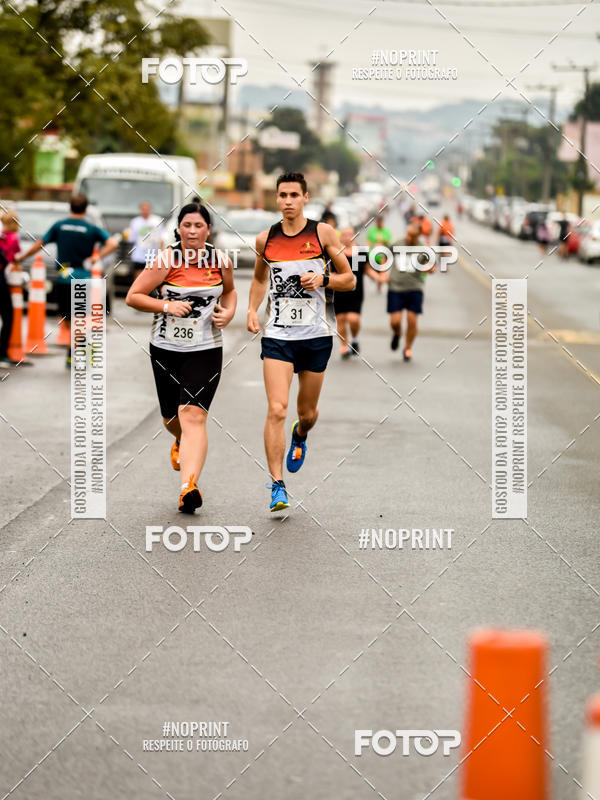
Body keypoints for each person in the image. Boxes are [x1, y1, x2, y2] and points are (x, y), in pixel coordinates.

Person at [247, 172, 355, 512]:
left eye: (294, 194)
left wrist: (323, 278)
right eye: (282, 195)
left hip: (315, 336)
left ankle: (302, 434)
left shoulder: (322, 233)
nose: (288, 201)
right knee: (276, 408)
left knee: (305, 413)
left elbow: (349, 279)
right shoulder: (266, 240)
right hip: (278, 336)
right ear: (276, 199)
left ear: (305, 197)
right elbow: (259, 278)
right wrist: (252, 309)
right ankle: (278, 485)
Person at [126, 201, 237, 513]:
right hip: (165, 348)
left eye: (198, 226)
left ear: (208, 229)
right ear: (178, 229)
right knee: (171, 418)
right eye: (186, 225)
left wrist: (228, 312)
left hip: (206, 348)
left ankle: (188, 486)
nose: (192, 231)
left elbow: (229, 291)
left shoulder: (221, 260)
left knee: (193, 415)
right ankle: (178, 441)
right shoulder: (165, 260)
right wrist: (166, 306)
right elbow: (133, 296)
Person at [15, 194, 118, 368]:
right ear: (85, 209)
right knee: (80, 317)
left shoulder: (60, 226)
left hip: (64, 278)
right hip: (84, 278)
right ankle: (79, 350)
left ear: (70, 207)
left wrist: (22, 257)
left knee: (67, 318)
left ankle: (75, 352)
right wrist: (97, 257)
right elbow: (113, 243)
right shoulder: (91, 228)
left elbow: (39, 244)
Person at [383, 222, 435, 362]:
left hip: (414, 288)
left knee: (412, 320)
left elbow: (432, 266)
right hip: (396, 287)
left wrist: (429, 268)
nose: (409, 238)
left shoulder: (423, 249)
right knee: (395, 321)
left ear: (418, 235)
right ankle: (398, 333)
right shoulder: (397, 243)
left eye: (412, 236)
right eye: (407, 234)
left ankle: (407, 348)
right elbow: (385, 256)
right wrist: (383, 272)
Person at [334, 226, 384, 359]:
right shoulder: (336, 252)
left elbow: (368, 269)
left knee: (353, 318)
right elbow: (331, 272)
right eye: (344, 234)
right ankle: (344, 346)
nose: (347, 237)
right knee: (340, 319)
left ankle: (354, 339)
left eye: (350, 234)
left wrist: (378, 278)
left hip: (356, 292)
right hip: (339, 291)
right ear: (340, 236)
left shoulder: (361, 252)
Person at [0, 209, 20, 368]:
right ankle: (3, 354)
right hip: (2, 279)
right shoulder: (12, 238)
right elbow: (13, 258)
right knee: (8, 316)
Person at [128, 202, 164, 282]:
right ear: (140, 210)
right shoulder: (135, 222)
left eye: (147, 209)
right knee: (138, 275)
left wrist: (161, 254)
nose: (145, 211)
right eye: (143, 209)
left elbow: (162, 238)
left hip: (153, 254)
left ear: (150, 210)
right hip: (139, 254)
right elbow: (132, 238)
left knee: (152, 275)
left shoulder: (157, 221)